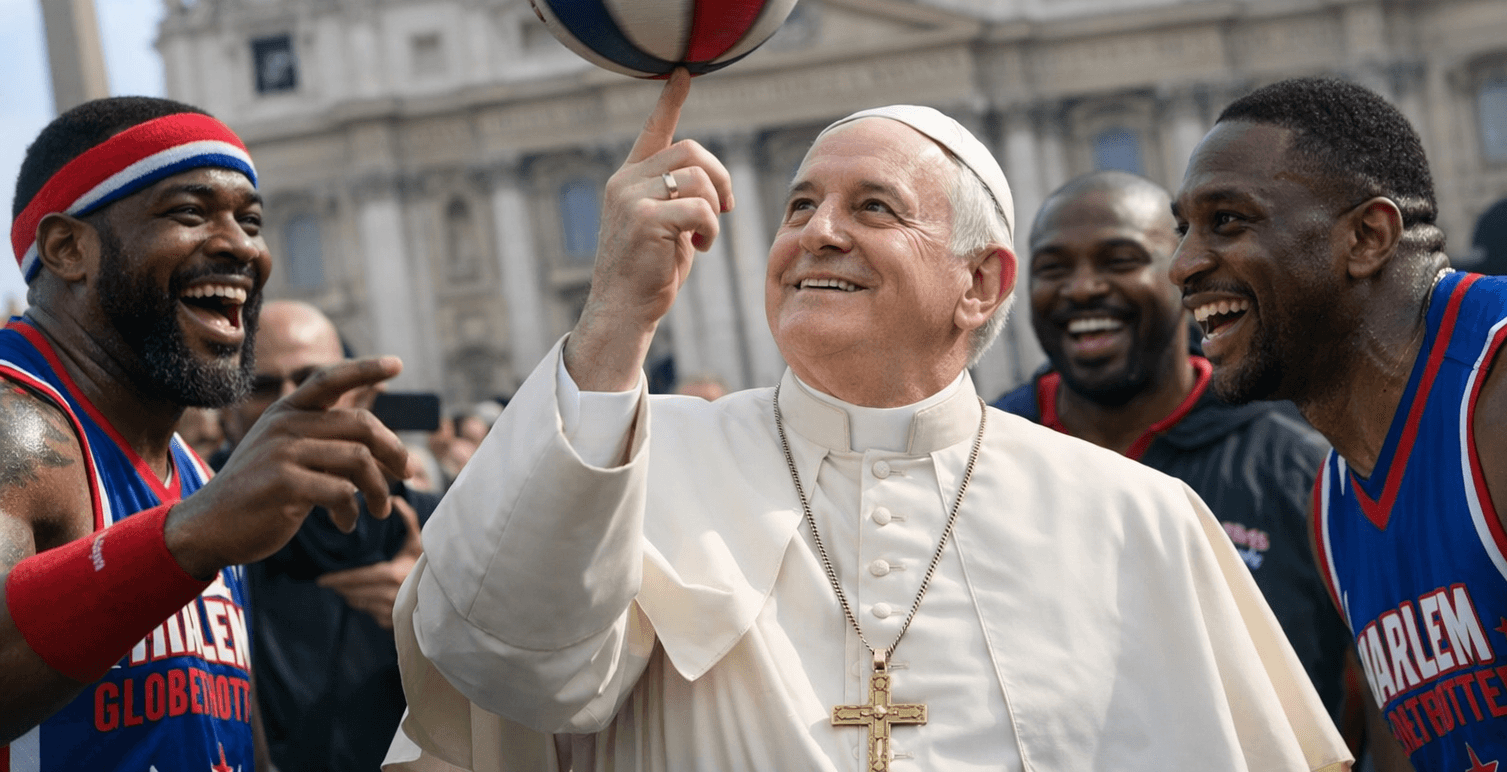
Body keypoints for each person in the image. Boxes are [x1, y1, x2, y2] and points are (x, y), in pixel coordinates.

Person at [385, 71, 1351, 772]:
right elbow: (506, 660)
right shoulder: (641, 457)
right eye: (800, 204)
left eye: (872, 206)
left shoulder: (1144, 518)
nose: (816, 231)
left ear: (980, 282)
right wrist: (614, 319)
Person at [0, 97, 410, 770]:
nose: (241, 247)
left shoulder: (195, 473)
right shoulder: (18, 427)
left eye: (251, 221)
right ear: (70, 248)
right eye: (189, 213)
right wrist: (188, 536)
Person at [1169, 77, 1507, 769]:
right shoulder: (1334, 501)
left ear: (1367, 237)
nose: (1182, 264)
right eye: (1181, 228)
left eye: (1227, 221)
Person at [995, 171, 1353, 726]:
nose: (1083, 288)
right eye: (1053, 268)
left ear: (1184, 274)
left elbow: (1365, 691)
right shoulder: (977, 464)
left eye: (1119, 261)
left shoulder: (1301, 468)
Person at [223, 299, 437, 772]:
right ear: (227, 408)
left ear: (360, 395)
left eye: (312, 380)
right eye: (261, 386)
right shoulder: (203, 537)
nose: (289, 402)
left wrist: (441, 613)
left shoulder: (439, 527)